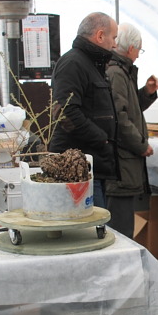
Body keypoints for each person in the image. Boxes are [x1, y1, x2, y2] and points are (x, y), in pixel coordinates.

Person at [50, 12, 119, 208]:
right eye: (113, 38)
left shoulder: (92, 65)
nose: (115, 45)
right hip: (79, 169)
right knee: (91, 223)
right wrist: (101, 138)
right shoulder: (73, 63)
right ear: (100, 35)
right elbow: (65, 112)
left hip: (93, 163)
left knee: (97, 221)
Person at [103, 23, 158, 236]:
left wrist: (146, 93)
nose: (138, 55)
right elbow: (120, 118)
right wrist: (141, 145)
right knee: (120, 229)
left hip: (124, 164)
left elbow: (130, 109)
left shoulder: (122, 72)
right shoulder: (117, 73)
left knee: (122, 223)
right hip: (121, 165)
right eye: (139, 50)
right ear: (131, 48)